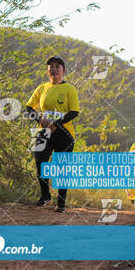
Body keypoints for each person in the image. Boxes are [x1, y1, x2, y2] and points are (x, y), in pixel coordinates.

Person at [25, 56, 80, 213]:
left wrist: (56, 124)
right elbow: (28, 107)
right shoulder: (42, 88)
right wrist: (39, 119)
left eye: (57, 66)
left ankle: (61, 203)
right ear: (47, 70)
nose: (54, 69)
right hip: (44, 131)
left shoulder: (69, 88)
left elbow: (74, 112)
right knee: (40, 160)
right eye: (51, 66)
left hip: (65, 133)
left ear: (63, 70)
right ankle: (45, 196)